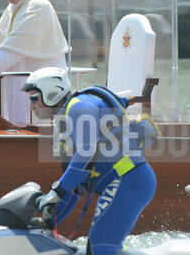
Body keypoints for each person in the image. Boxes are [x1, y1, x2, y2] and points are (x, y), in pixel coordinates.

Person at [21, 67, 158, 255]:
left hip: (129, 180)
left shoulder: (77, 107)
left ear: (51, 93)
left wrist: (57, 190)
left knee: (101, 248)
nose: (31, 106)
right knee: (101, 248)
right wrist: (49, 220)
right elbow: (76, 187)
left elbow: (86, 152)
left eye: (33, 99)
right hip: (125, 181)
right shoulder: (64, 120)